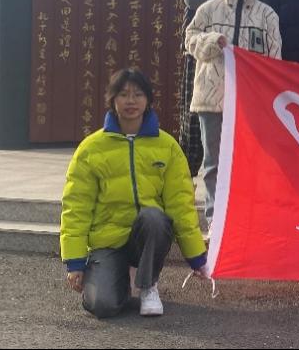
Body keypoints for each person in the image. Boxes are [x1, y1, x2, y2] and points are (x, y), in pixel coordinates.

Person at [60, 68, 208, 318]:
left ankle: (148, 286)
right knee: (103, 305)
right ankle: (120, 279)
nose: (131, 101)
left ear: (148, 100)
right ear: (112, 100)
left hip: (147, 236)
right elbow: (77, 207)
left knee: (155, 218)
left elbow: (180, 205)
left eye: (138, 94)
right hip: (108, 241)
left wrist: (196, 257)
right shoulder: (91, 149)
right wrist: (74, 262)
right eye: (124, 94)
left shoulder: (167, 147)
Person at [185, 0, 281, 228]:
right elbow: (190, 40)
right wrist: (212, 40)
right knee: (213, 162)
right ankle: (216, 220)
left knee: (250, 161)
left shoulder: (267, 15)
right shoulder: (208, 10)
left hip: (251, 103)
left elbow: (274, 58)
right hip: (212, 99)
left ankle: (248, 219)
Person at [177, 0, 261, 179]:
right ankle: (185, 187)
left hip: (241, 57)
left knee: (242, 124)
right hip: (206, 54)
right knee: (195, 123)